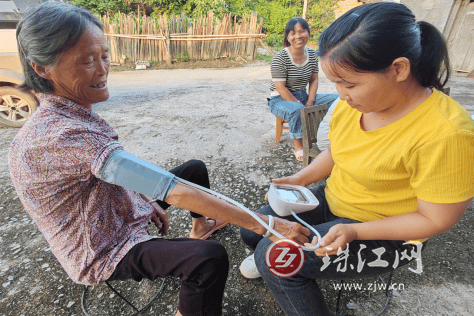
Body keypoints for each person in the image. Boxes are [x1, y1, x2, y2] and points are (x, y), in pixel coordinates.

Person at [8, 3, 310, 316]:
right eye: (87, 61)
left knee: (193, 170)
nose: (102, 69)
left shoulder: (63, 111)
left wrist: (140, 199)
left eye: (105, 55)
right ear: (42, 67)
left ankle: (201, 225)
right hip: (100, 248)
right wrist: (269, 225)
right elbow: (167, 188)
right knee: (208, 259)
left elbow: (122, 176)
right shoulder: (59, 136)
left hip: (111, 214)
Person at [240, 3, 474, 315]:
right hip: (338, 200)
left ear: (399, 69)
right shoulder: (355, 105)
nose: (341, 94)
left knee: (275, 257)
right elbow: (338, 151)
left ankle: (282, 270)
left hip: (387, 233)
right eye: (335, 83)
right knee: (252, 226)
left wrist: (354, 232)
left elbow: (436, 219)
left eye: (349, 83)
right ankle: (282, 265)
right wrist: (300, 179)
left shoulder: (446, 133)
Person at [268, 17, 339, 162]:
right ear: (288, 37)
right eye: (293, 33)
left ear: (308, 33)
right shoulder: (280, 58)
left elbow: (314, 80)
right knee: (297, 110)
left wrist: (310, 101)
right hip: (280, 98)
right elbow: (280, 87)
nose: (298, 36)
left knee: (338, 99)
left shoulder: (312, 55)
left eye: (302, 31)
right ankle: (299, 146)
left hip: (303, 95)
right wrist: (302, 106)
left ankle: (329, 134)